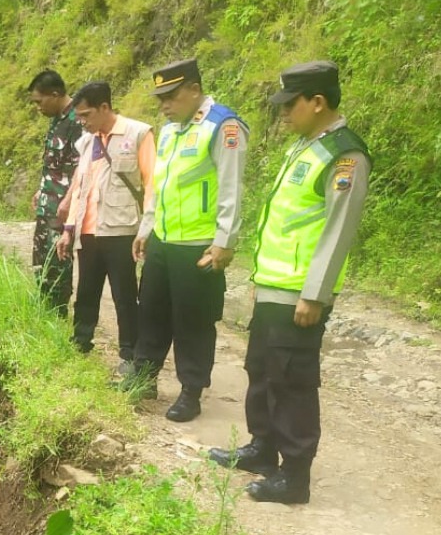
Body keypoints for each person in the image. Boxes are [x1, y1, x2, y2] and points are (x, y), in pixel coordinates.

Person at [208, 61, 371, 504]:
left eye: (289, 104)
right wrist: (262, 281)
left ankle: (294, 476)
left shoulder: (344, 155)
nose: (282, 113)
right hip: (275, 287)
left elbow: (338, 231)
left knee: (292, 381)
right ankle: (263, 448)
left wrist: (314, 293)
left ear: (317, 102)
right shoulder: (307, 146)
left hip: (300, 292)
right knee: (261, 370)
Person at [127, 58, 248, 421]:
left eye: (172, 96)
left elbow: (231, 188)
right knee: (151, 311)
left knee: (193, 322)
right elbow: (159, 185)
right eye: (160, 97)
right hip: (164, 240)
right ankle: (143, 378)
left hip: (199, 244)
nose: (164, 104)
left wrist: (225, 241)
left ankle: (191, 392)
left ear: (195, 90)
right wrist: (147, 229)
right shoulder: (169, 130)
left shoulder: (223, 126)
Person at [58, 82, 154, 368]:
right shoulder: (87, 141)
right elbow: (80, 187)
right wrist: (69, 229)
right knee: (86, 290)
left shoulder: (138, 133)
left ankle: (129, 353)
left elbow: (152, 183)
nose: (82, 122)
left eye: (87, 115)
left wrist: (146, 228)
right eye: (79, 116)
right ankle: (80, 342)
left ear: (104, 107)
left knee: (124, 295)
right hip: (88, 230)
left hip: (121, 229)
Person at [27, 70, 83, 314]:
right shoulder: (56, 120)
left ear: (55, 94)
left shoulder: (77, 121)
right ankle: (44, 311)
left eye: (40, 101)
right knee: (42, 263)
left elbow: (82, 166)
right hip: (48, 204)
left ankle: (57, 314)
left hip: (63, 209)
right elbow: (55, 163)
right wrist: (42, 189)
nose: (38, 107)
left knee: (58, 262)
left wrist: (69, 201)